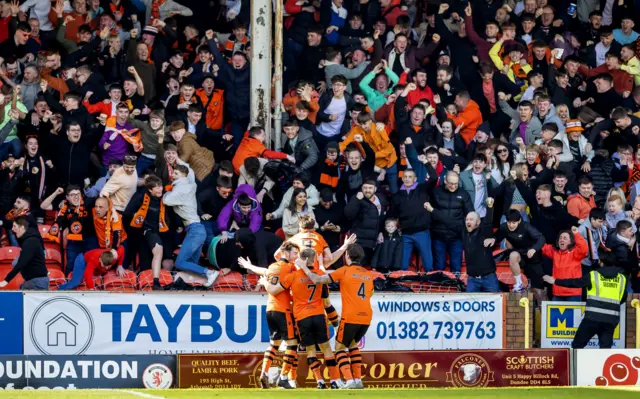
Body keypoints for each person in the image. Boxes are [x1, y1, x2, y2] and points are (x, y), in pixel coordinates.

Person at [296, 243, 372, 389]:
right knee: (352, 344)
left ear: (347, 256)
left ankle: (349, 381)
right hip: (367, 316)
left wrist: (305, 267)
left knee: (339, 348)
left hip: (351, 316)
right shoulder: (368, 275)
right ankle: (357, 380)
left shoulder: (344, 271)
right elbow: (371, 293)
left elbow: (318, 280)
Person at [263, 249, 340, 390]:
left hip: (302, 318)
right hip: (318, 315)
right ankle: (335, 381)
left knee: (310, 351)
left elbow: (274, 290)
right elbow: (326, 302)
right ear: (314, 259)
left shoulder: (293, 276)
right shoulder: (320, 275)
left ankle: (320, 382)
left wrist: (265, 281)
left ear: (302, 259)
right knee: (326, 349)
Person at [238, 242, 300, 389]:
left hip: (270, 309)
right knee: (292, 344)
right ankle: (283, 378)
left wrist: (249, 266)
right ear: (286, 253)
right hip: (283, 309)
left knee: (275, 344)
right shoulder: (290, 268)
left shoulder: (272, 267)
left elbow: (262, 271)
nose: (296, 256)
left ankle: (264, 373)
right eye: (294, 253)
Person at [543, 263, 628, 349]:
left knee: (577, 345)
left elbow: (575, 283)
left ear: (601, 262)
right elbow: (623, 298)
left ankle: (576, 362)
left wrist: (555, 281)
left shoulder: (594, 275)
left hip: (592, 318)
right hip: (611, 320)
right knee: (605, 349)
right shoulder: (622, 278)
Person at [162, 164, 219, 287]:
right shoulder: (191, 185)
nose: (173, 175)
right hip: (198, 229)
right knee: (190, 265)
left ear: (183, 176)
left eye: (176, 173)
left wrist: (167, 191)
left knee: (180, 262)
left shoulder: (180, 189)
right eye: (173, 172)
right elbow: (191, 172)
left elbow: (165, 201)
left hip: (194, 230)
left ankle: (209, 272)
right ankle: (198, 283)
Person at [494, 210, 546, 300]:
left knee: (538, 290)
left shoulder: (526, 226)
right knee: (513, 255)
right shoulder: (504, 228)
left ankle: (543, 310)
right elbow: (496, 239)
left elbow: (541, 238)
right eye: (509, 222)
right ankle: (519, 284)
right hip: (520, 257)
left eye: (514, 223)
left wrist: (534, 249)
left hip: (533, 259)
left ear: (519, 221)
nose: (511, 225)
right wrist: (492, 239)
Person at [0, 217, 48, 290]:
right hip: (31, 281)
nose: (12, 229)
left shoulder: (31, 242)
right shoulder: (26, 239)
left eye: (14, 226)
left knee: (18, 262)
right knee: (15, 262)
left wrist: (6, 280)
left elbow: (21, 262)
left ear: (22, 227)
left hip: (37, 282)